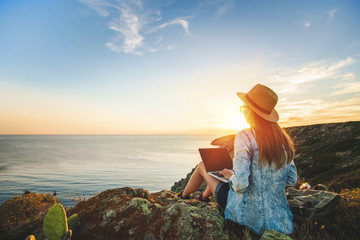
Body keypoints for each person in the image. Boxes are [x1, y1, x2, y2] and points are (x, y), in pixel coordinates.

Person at [178, 84, 297, 235]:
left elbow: (240, 185)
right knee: (220, 173)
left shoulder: (245, 136)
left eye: (244, 107)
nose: (243, 111)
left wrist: (233, 176)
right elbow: (291, 179)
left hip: (246, 215)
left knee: (203, 166)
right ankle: (203, 197)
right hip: (279, 220)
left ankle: (183, 196)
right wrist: (265, 181)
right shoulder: (283, 141)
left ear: (251, 111)